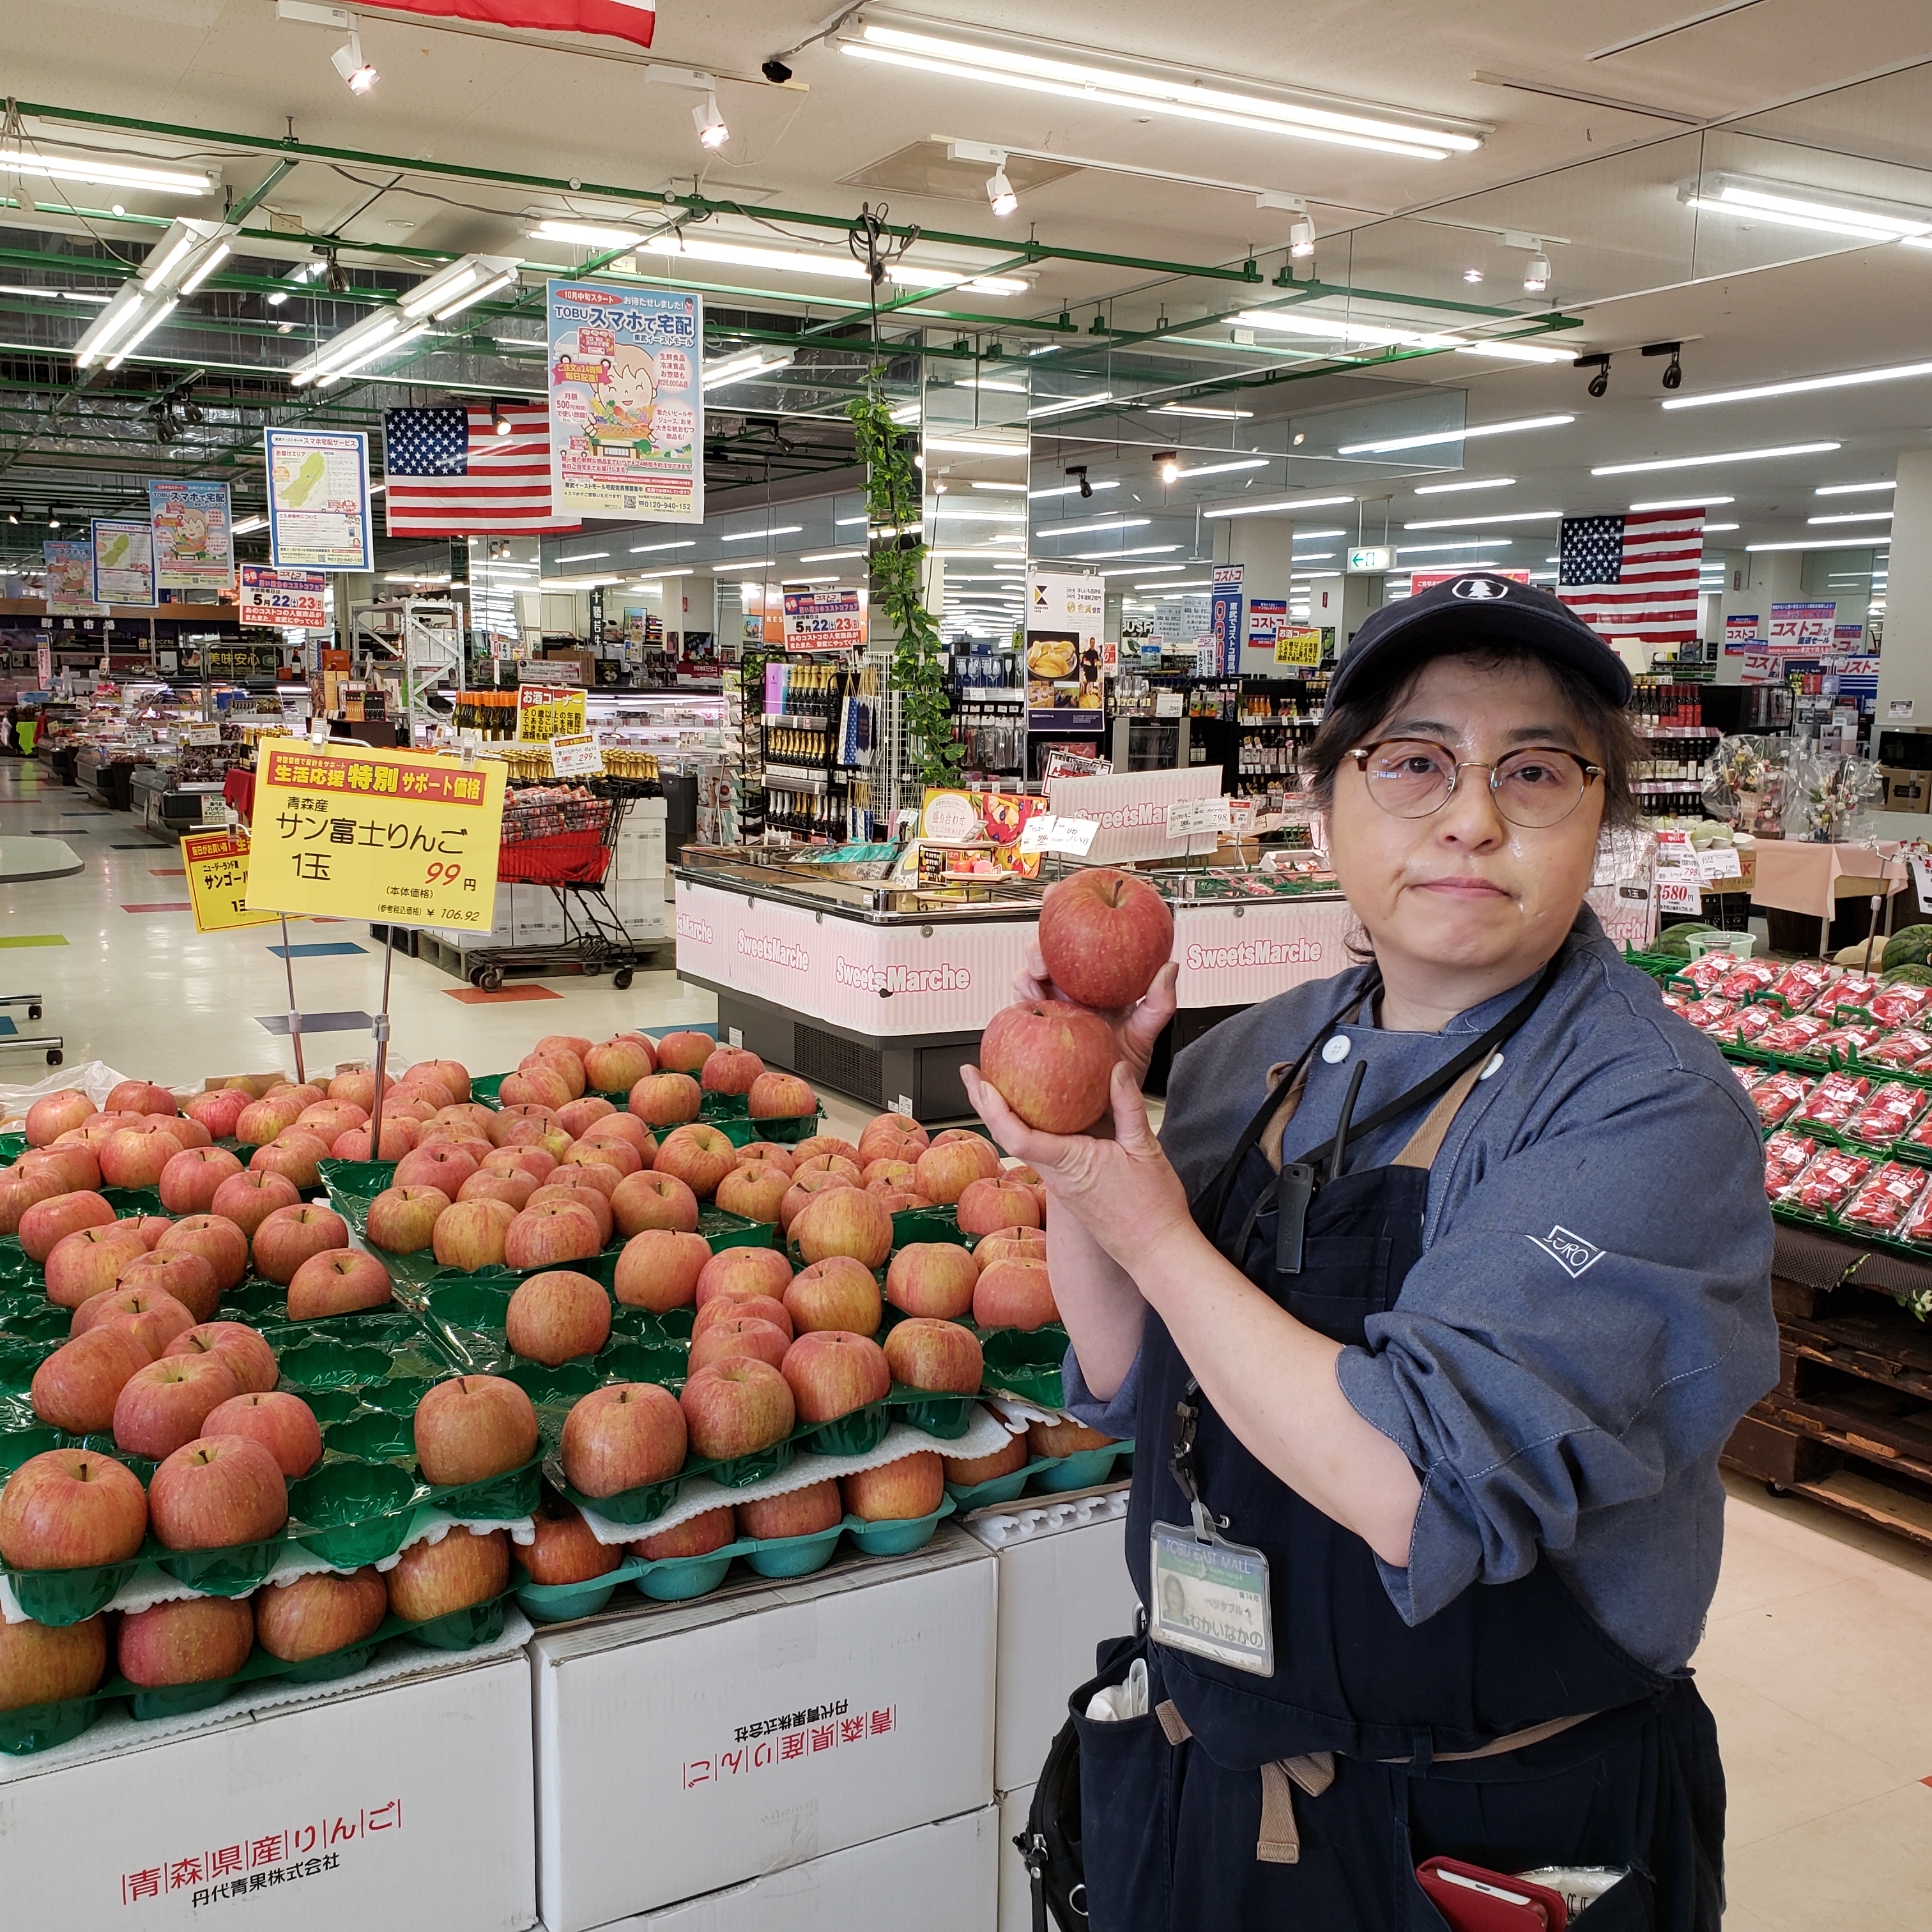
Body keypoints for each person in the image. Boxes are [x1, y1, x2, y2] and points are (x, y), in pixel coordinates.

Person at [966, 573, 1778, 1932]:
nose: (1472, 818)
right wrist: (1082, 1150)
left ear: (1604, 819)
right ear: (1326, 805)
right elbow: (1127, 1371)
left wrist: (1153, 1226)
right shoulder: (1252, 1056)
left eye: (1536, 771)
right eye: (1413, 762)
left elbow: (1422, 1487)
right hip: (1212, 1769)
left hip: (1483, 1831)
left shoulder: (1643, 1110)